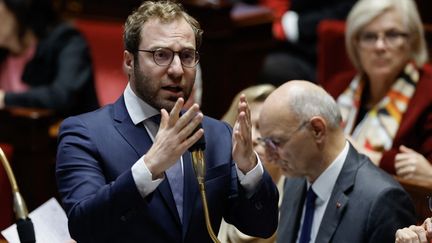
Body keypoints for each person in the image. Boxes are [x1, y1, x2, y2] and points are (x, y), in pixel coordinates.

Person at [55, 1, 279, 243]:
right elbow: (84, 227)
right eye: (160, 55)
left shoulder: (216, 134)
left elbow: (262, 226)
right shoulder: (84, 133)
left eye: (186, 56)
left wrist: (250, 171)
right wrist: (149, 167)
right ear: (129, 62)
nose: (176, 70)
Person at [259, 80, 416, 243]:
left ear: (317, 130)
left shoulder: (382, 201)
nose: (270, 157)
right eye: (266, 143)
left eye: (276, 142)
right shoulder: (294, 180)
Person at [322, 0, 432, 180]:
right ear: (355, 43)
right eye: (369, 36)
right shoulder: (337, 87)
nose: (380, 46)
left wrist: (369, 156)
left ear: (412, 41)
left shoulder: (428, 93)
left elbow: (427, 175)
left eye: (392, 34)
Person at [0, 0, 98, 117]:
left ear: (16, 8)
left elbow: (62, 96)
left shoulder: (67, 41)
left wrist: (5, 98)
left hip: (69, 131)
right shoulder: (4, 51)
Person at [218, 84, 284, 243]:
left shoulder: (299, 195)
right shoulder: (214, 192)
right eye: (245, 127)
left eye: (263, 128)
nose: (252, 138)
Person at [257, 0, 358, 85]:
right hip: (270, 39)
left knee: (269, 67)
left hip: (312, 54)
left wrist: (297, 25)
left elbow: (346, 9)